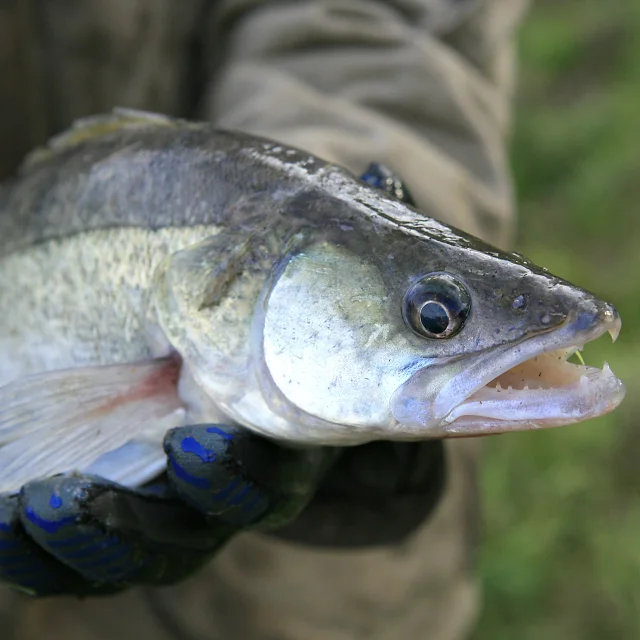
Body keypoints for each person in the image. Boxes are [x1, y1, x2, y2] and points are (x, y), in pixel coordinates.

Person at [0, 0, 529, 638]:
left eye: (432, 314)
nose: (437, 322)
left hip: (265, 601)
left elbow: (386, 30)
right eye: (436, 317)